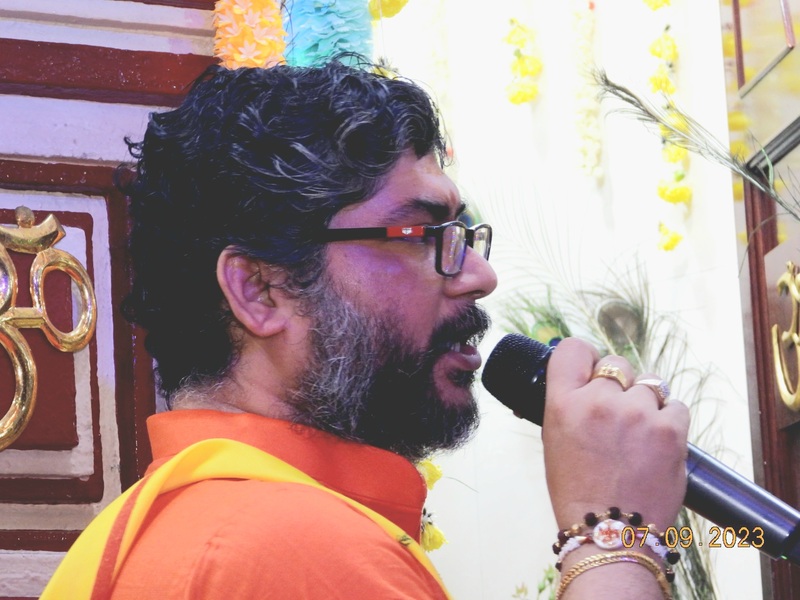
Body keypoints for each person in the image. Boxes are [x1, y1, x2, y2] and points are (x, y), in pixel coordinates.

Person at [42, 56, 689, 599]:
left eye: (463, 234)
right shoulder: (290, 550)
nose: (479, 275)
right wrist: (614, 535)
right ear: (260, 289)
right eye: (424, 233)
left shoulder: (142, 531)